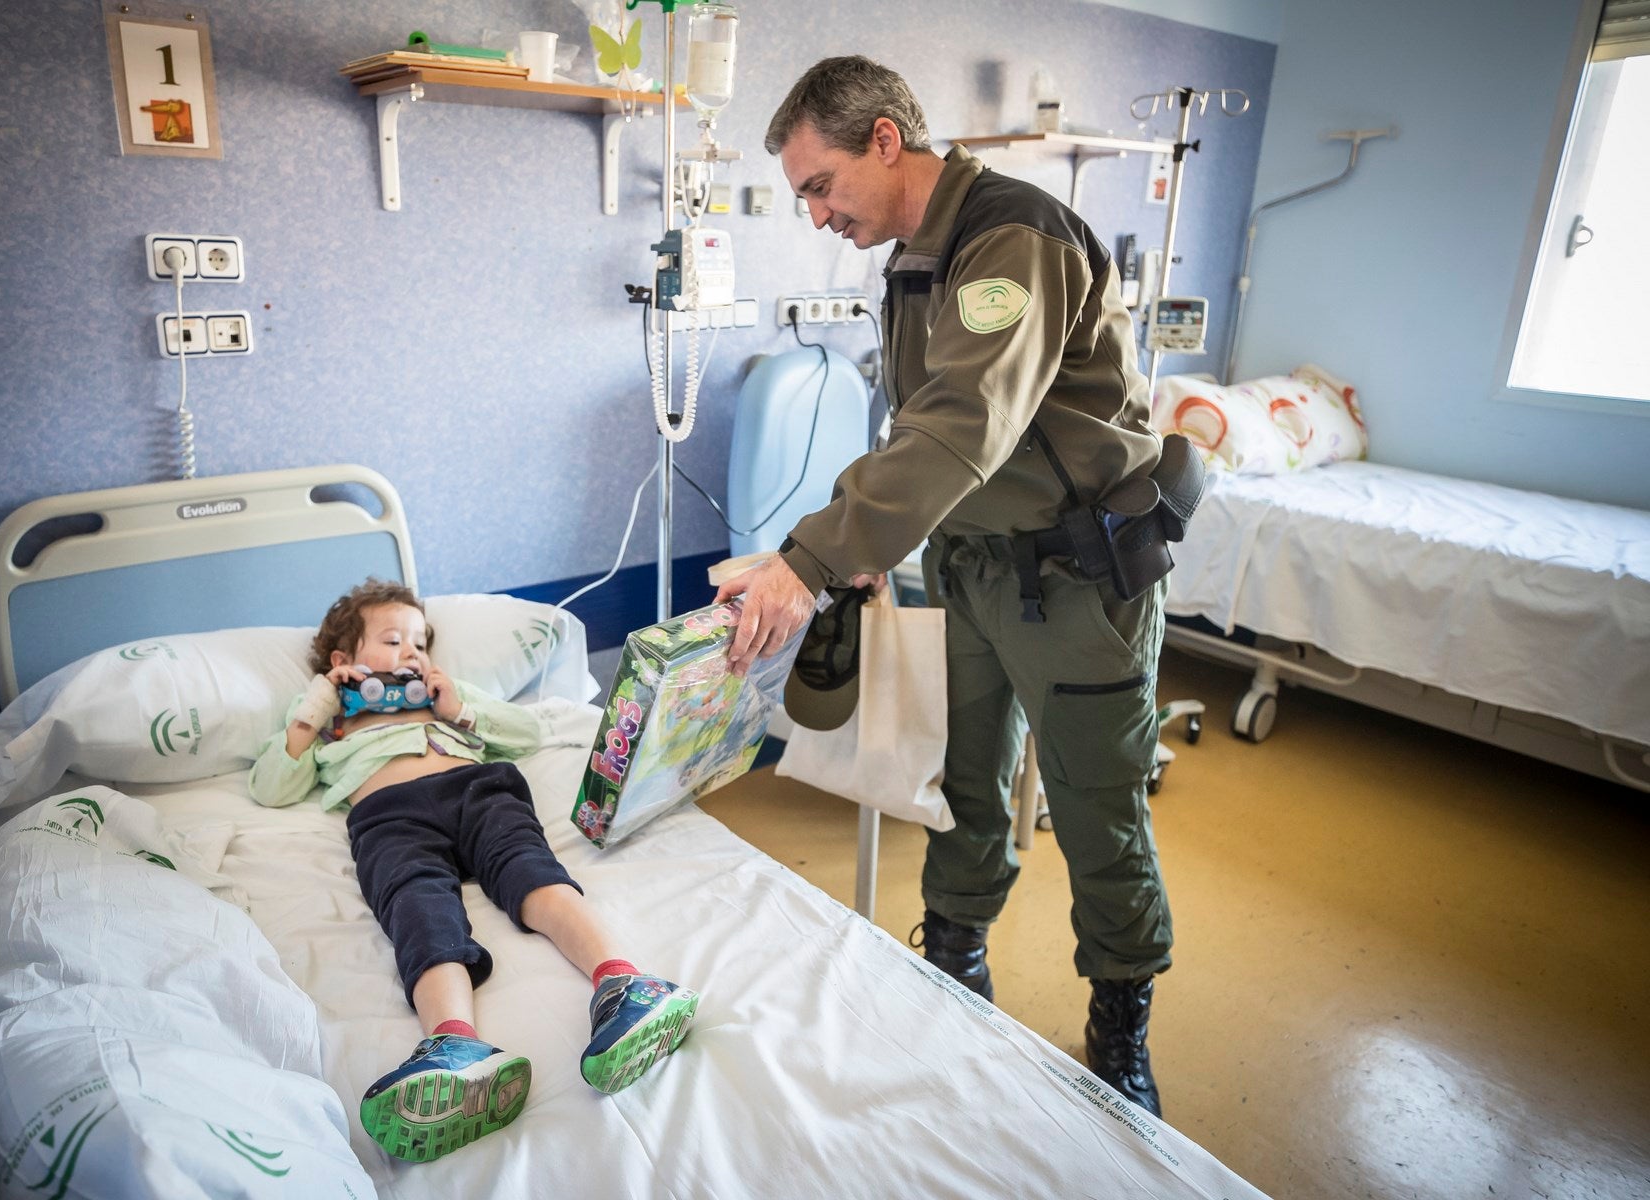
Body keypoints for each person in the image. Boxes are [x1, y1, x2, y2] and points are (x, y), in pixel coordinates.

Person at [717, 56, 1174, 1117]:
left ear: (885, 140)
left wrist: (813, 560)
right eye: (804, 198)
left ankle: (1122, 1023)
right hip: (966, 563)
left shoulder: (1013, 237)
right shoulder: (915, 257)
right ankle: (956, 961)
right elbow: (916, 430)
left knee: (1100, 811)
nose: (817, 213)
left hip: (1072, 577)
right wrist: (862, 542)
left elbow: (964, 422)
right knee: (962, 784)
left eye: (821, 186)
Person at [250, 579, 699, 1162]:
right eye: (393, 640)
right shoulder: (329, 717)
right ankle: (455, 1046)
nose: (413, 653)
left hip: (476, 789)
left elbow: (526, 733)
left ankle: (626, 985)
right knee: (418, 910)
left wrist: (457, 706)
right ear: (343, 660)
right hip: (390, 816)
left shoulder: (447, 697)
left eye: (420, 642)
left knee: (533, 876)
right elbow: (270, 787)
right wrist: (317, 703)